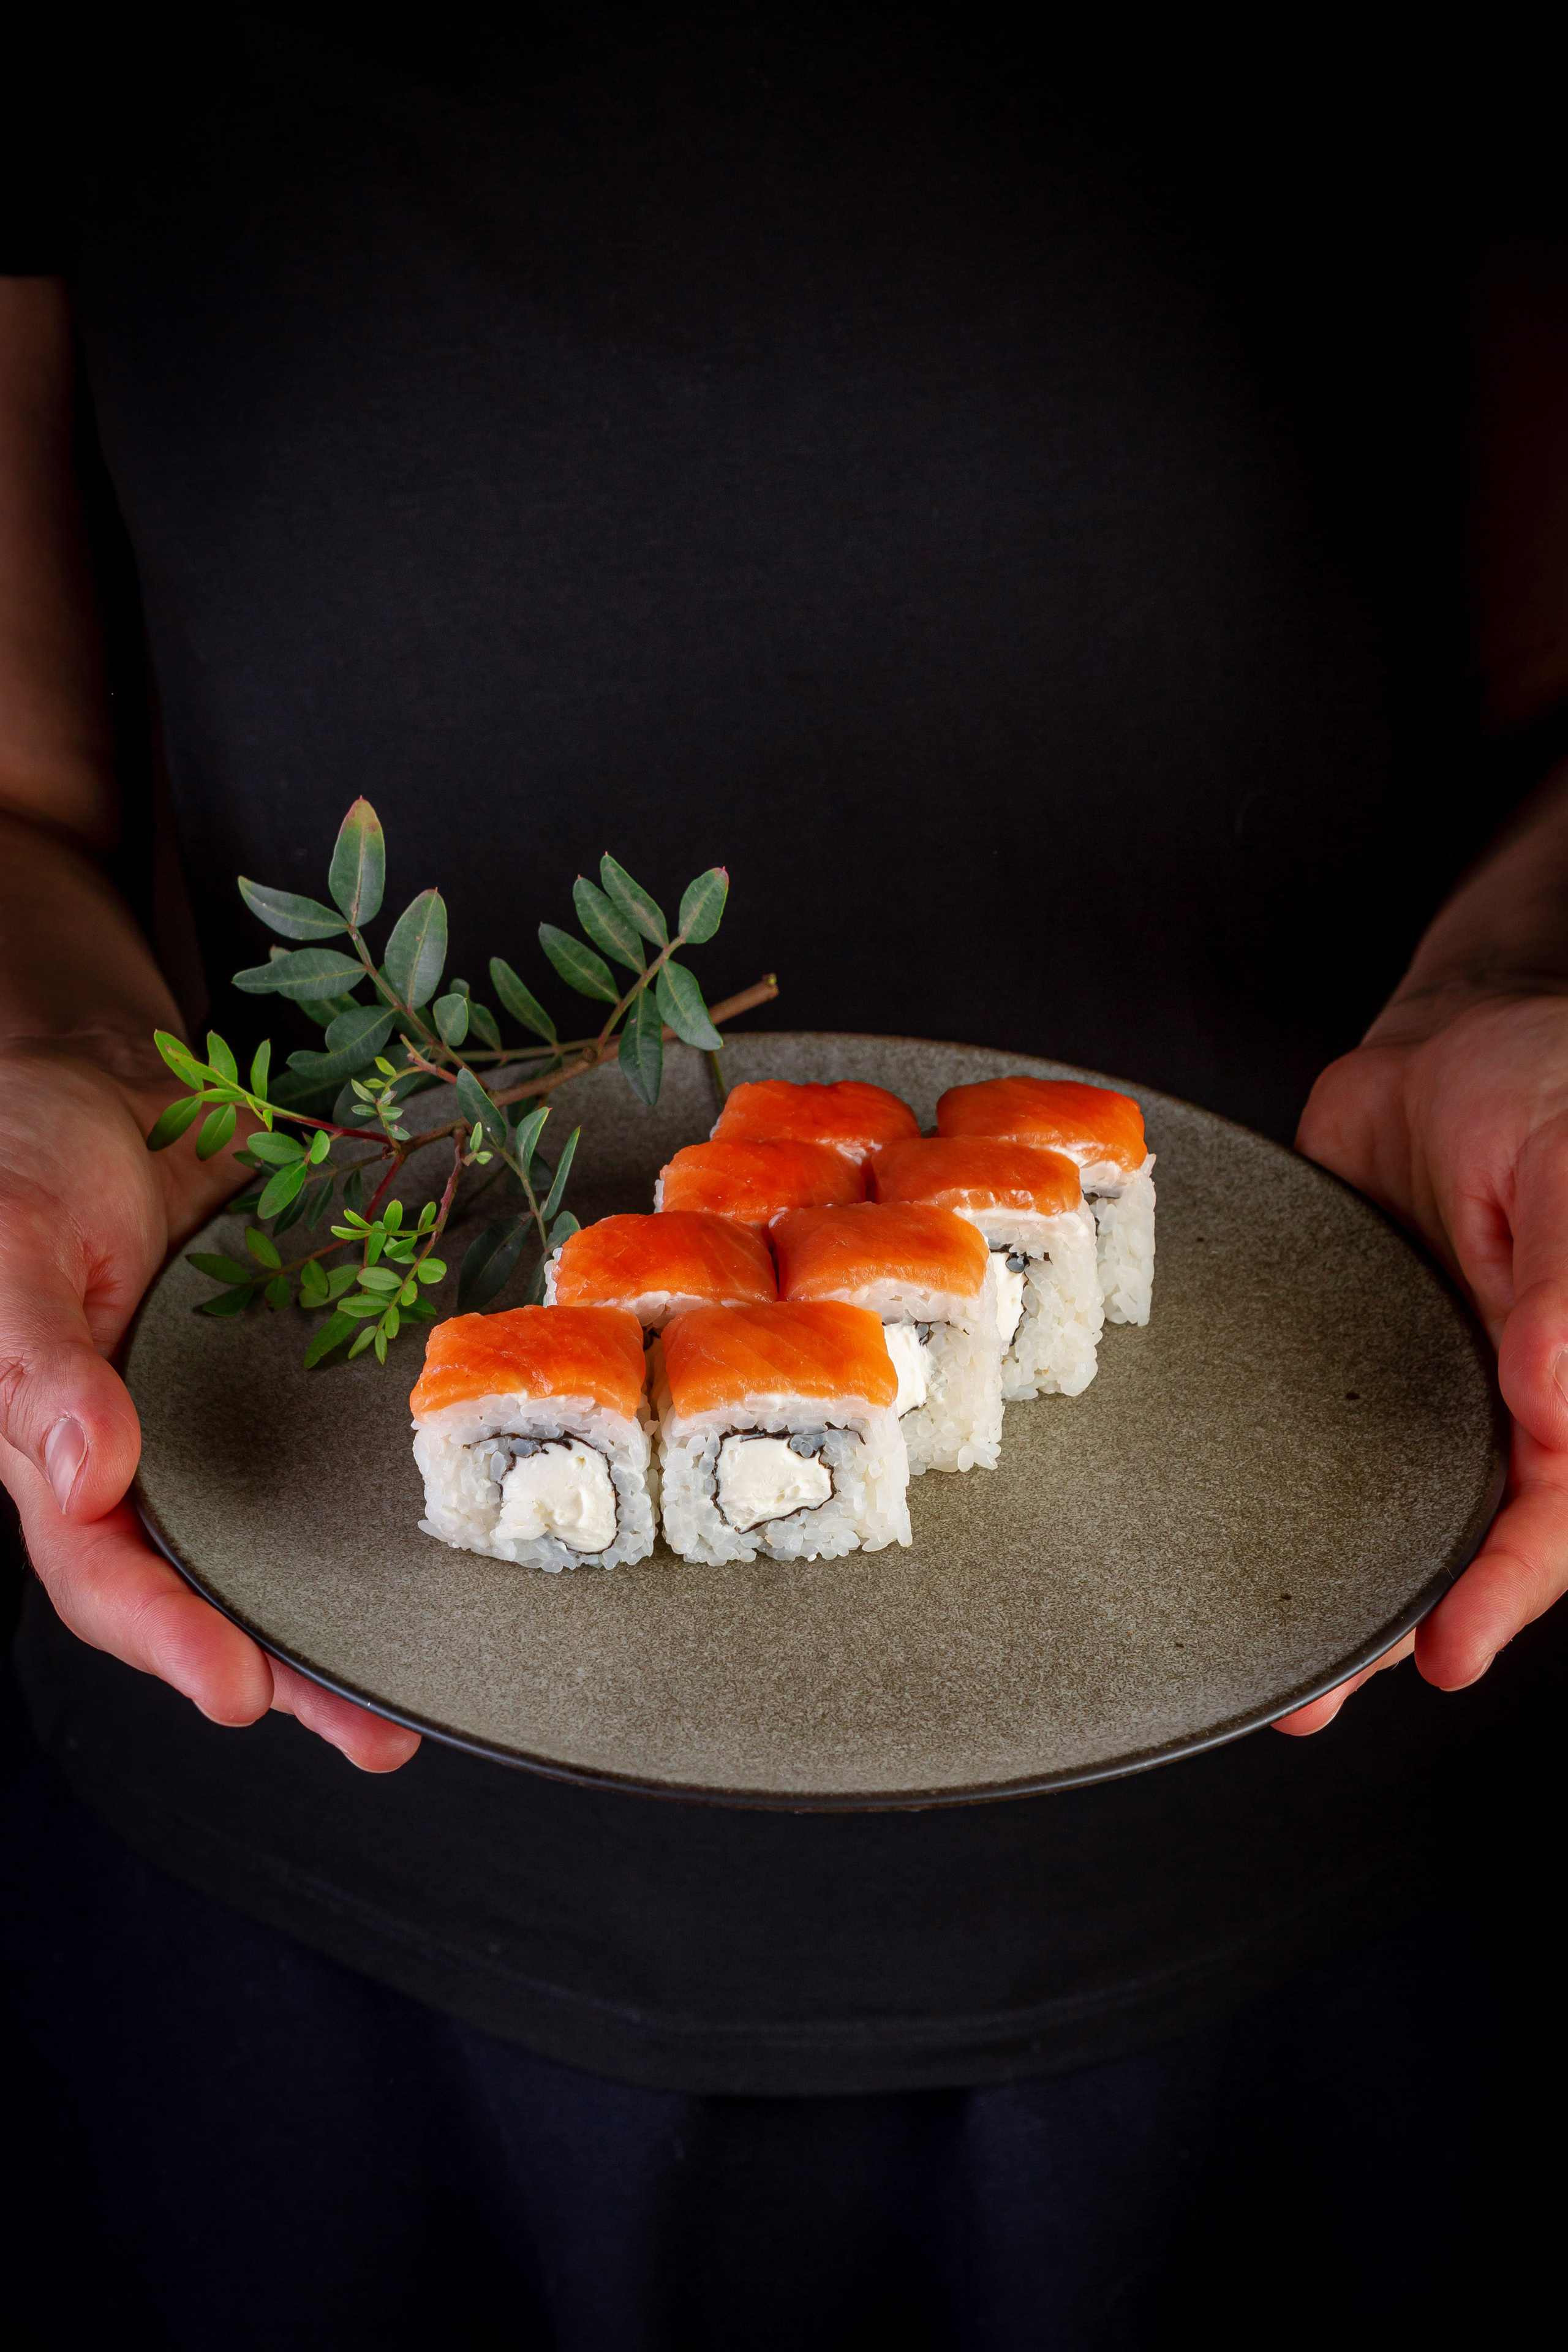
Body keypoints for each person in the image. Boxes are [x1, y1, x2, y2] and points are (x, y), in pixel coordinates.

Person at [2, 9, 1564, 2345]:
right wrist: (39, 1046)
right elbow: (16, 792)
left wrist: (1521, 984)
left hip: (1336, 1848)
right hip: (287, 1857)